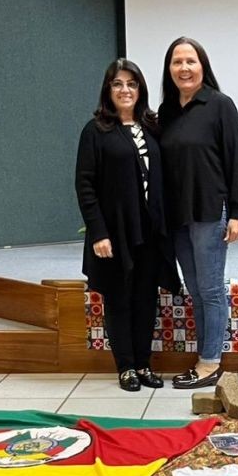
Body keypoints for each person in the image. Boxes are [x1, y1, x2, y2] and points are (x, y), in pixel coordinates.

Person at [76, 59, 181, 391]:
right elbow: (85, 184)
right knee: (119, 298)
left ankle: (143, 364)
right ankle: (125, 367)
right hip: (115, 233)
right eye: (118, 84)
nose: (125, 90)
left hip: (149, 233)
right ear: (108, 90)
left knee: (145, 299)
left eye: (131, 84)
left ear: (140, 89)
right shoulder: (95, 131)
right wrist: (98, 232)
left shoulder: (151, 126)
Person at [158, 37, 238, 390]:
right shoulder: (166, 112)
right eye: (177, 62)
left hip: (211, 211)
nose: (184, 68)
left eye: (190, 61)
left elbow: (235, 160)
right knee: (195, 289)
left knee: (210, 289)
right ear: (169, 70)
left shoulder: (220, 105)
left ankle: (210, 362)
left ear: (202, 66)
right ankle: (204, 357)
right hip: (178, 216)